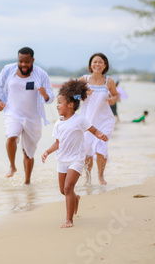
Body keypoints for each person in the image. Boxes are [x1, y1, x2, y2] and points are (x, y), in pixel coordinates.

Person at [42, 79, 108, 228]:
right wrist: (47, 151)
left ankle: (69, 220)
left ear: (71, 105)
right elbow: (58, 143)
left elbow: (94, 130)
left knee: (68, 188)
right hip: (62, 160)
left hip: (76, 160)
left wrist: (100, 135)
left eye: (60, 103)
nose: (57, 105)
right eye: (57, 103)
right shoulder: (58, 123)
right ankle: (75, 198)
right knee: (62, 190)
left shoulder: (80, 120)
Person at [0, 47, 54, 184]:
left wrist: (45, 95)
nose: (23, 65)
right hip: (12, 113)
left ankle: (27, 182)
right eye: (21, 61)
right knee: (11, 136)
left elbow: (51, 98)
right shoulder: (9, 70)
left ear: (32, 60)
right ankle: (12, 166)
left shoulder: (41, 74)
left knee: (28, 153)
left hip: (33, 118)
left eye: (27, 62)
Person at [79, 53, 119, 185]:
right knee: (88, 148)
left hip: (105, 119)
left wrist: (112, 100)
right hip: (88, 120)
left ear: (105, 65)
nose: (97, 64)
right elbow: (71, 96)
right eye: (95, 62)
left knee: (101, 146)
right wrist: (83, 93)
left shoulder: (109, 81)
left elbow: (115, 96)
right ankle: (88, 177)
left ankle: (101, 176)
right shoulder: (83, 79)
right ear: (90, 64)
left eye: (100, 62)